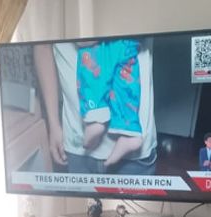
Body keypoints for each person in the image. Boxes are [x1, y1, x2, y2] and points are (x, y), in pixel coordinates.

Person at [34, 41, 157, 175]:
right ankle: (99, 118)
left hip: (135, 152)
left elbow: (85, 39)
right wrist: (53, 124)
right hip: (76, 141)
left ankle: (125, 130)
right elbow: (42, 45)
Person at [77, 39, 143, 167]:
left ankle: (96, 116)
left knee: (92, 69)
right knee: (126, 82)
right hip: (127, 42)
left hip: (103, 40)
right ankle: (130, 129)